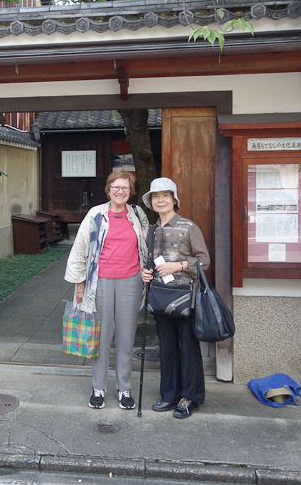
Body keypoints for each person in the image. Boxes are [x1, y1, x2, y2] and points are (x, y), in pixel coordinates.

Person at [65, 168, 150, 410]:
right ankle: (98, 387)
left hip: (131, 281)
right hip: (99, 282)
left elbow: (146, 247)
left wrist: (147, 271)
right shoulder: (95, 214)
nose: (120, 191)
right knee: (100, 337)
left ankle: (124, 389)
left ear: (130, 191)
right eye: (116, 187)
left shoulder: (137, 215)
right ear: (109, 190)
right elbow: (80, 249)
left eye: (125, 187)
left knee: (126, 338)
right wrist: (80, 285)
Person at [140, 177, 210, 419]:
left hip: (184, 298)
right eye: (156, 197)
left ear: (174, 200)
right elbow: (148, 261)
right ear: (152, 202)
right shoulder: (150, 230)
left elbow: (204, 261)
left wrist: (177, 266)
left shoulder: (189, 227)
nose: (160, 200)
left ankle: (190, 397)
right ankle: (169, 395)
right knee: (167, 349)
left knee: (188, 350)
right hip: (159, 297)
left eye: (165, 196)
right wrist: (145, 272)